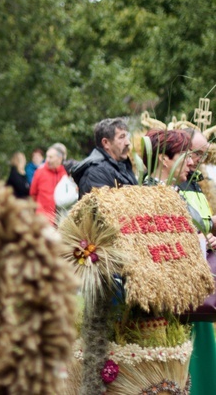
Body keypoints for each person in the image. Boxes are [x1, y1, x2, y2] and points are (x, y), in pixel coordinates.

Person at [140, 128, 216, 395]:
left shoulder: (174, 191)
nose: (193, 162)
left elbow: (195, 226)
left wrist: (203, 238)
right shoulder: (148, 194)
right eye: (186, 156)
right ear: (164, 159)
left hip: (187, 296)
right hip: (167, 302)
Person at [71, 117, 138, 198]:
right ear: (106, 143)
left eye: (126, 136)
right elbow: (108, 207)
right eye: (121, 137)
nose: (128, 142)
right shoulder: (95, 173)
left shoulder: (123, 166)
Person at [29, 144, 67, 225]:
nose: (47, 160)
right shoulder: (39, 172)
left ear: (59, 159)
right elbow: (33, 194)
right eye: (47, 156)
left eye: (50, 157)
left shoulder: (64, 173)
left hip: (60, 219)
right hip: (42, 219)